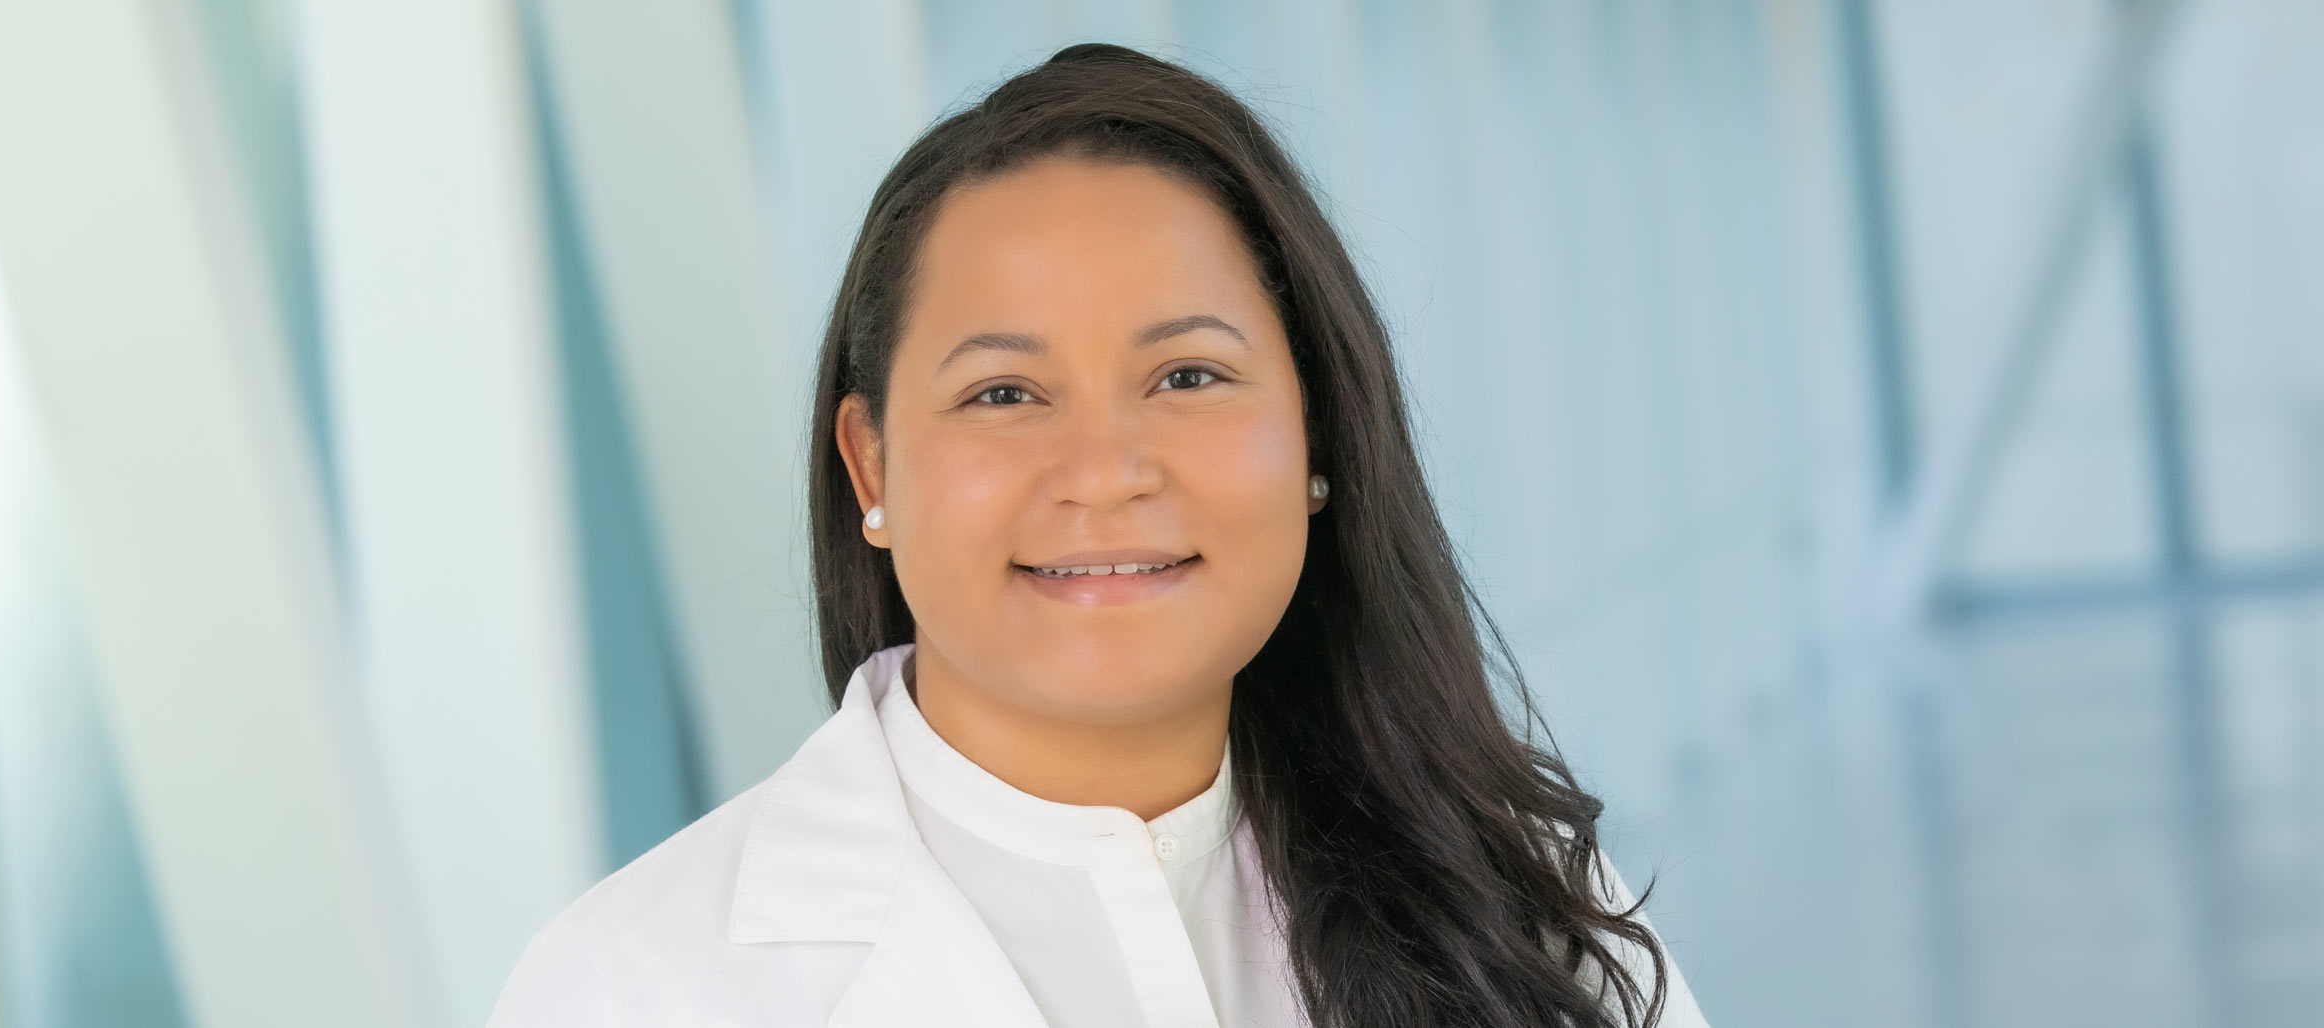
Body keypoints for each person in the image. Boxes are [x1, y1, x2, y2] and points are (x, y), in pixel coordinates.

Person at [488, 41, 1709, 1028]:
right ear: (872, 464)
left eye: (1186, 374)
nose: (1106, 473)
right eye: (1004, 395)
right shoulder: (632, 986)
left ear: (1321, 439)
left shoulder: (1526, 908)